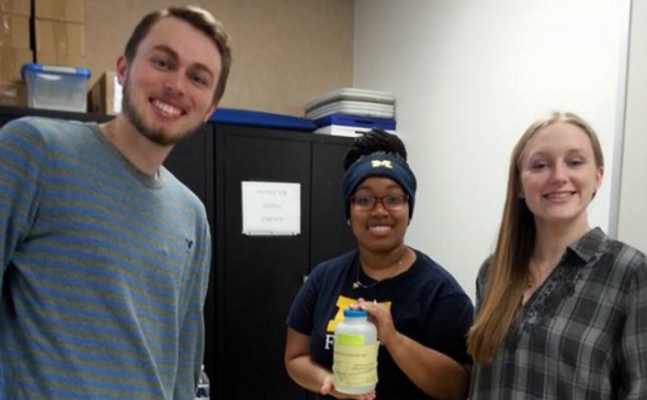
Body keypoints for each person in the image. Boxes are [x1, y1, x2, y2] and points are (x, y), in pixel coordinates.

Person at [0, 5, 232, 399]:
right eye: (162, 61)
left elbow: (184, 363)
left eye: (197, 77)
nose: (176, 84)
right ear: (123, 69)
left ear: (209, 108)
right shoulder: (35, 152)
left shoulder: (191, 215)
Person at [467, 112, 647, 399]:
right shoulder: (492, 272)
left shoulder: (630, 273)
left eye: (574, 162)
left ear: (598, 175)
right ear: (518, 185)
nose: (559, 176)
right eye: (540, 165)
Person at [285, 129, 474, 400]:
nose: (379, 210)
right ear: (349, 211)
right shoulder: (324, 278)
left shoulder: (440, 293)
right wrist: (327, 380)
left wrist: (393, 338)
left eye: (393, 198)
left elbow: (461, 388)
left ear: (409, 209)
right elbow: (296, 357)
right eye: (363, 199)